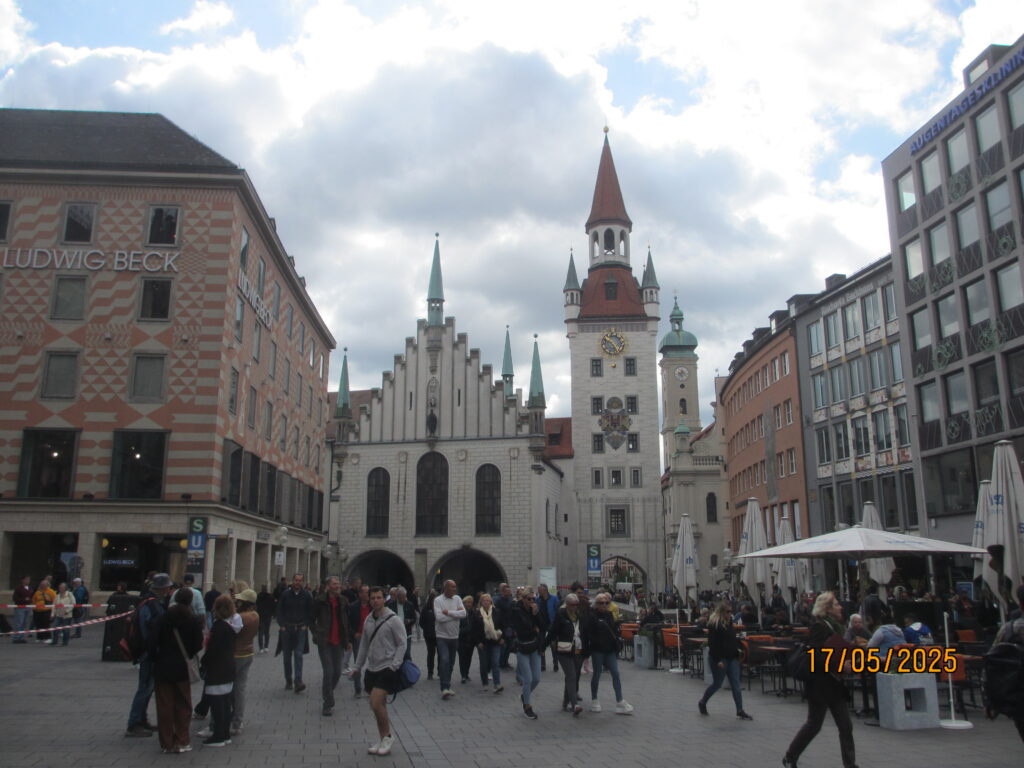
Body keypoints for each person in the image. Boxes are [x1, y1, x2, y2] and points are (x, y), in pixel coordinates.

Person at [783, 591, 857, 768]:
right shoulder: (819, 627)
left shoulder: (837, 627)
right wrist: (839, 664)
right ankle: (790, 756)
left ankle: (850, 764)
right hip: (820, 684)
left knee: (845, 726)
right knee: (814, 724)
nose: (840, 607)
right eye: (836, 604)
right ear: (828, 608)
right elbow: (815, 655)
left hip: (835, 683)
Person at [351, 586, 407, 756]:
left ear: (384, 599)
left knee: (376, 702)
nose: (375, 601)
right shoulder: (369, 619)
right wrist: (357, 667)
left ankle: (388, 737)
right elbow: (364, 645)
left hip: (387, 667)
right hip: (372, 668)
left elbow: (402, 643)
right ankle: (382, 737)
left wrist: (394, 665)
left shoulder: (393, 619)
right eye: (373, 598)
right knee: (377, 706)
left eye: (378, 597)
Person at [151, 587, 203, 753]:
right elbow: (198, 644)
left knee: (164, 706)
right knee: (183, 705)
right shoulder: (192, 619)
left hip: (163, 666)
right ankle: (182, 740)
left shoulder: (163, 617)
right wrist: (188, 653)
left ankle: (166, 743)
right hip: (182, 667)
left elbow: (152, 642)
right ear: (190, 601)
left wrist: (156, 658)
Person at [126, 573, 172, 737]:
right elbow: (152, 629)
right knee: (145, 688)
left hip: (147, 650)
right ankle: (134, 723)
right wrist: (154, 649)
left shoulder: (148, 601)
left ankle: (142, 719)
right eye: (167, 587)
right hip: (149, 651)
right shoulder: (152, 604)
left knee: (148, 687)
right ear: (163, 588)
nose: (169, 590)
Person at [698, 602, 752, 720]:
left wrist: (737, 651)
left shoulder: (729, 623)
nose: (730, 614)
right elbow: (713, 644)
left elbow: (731, 639)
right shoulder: (715, 625)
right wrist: (717, 660)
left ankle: (740, 710)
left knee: (736, 684)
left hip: (732, 657)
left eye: (731, 611)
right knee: (717, 684)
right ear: (721, 612)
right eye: (728, 612)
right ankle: (703, 701)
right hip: (720, 658)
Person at [586, 592, 633, 714]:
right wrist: (595, 643)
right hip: (597, 650)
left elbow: (614, 630)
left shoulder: (609, 614)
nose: (604, 605)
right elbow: (589, 633)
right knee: (597, 674)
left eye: (606, 603)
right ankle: (594, 699)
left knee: (615, 673)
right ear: (596, 604)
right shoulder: (592, 616)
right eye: (601, 603)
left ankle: (620, 701)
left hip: (610, 649)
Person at [311, 576, 352, 717]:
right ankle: (327, 703)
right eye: (334, 584)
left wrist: (348, 640)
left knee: (337, 672)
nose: (337, 586)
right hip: (325, 641)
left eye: (338, 583)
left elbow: (347, 621)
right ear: (328, 586)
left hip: (338, 641)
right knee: (328, 672)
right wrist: (316, 632)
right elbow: (311, 619)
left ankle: (328, 692)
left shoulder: (343, 601)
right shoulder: (320, 601)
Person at [201, 594, 237, 748]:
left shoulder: (218, 628)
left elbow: (213, 650)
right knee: (225, 702)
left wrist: (204, 662)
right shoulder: (229, 627)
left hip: (218, 670)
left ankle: (218, 736)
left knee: (217, 704)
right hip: (228, 667)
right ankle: (225, 734)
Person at [276, 572, 313, 693]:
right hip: (287, 628)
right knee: (287, 656)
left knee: (298, 654)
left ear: (303, 582)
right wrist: (282, 625)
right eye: (296, 580)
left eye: (300, 580)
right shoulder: (285, 594)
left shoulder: (307, 595)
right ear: (292, 581)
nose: (298, 583)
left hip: (300, 628)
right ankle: (288, 680)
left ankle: (298, 681)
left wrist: (306, 625)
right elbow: (279, 610)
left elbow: (310, 612)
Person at [548, 593, 585, 715]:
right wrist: (543, 647)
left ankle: (565, 702)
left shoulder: (578, 616)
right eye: (572, 605)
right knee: (572, 675)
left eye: (576, 605)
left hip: (577, 649)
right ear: (567, 605)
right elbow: (552, 632)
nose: (575, 607)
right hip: (564, 650)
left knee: (571, 676)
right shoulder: (561, 615)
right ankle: (575, 705)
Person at [511, 588, 543, 719]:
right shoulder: (517, 611)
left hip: (534, 646)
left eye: (533, 599)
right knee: (528, 679)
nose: (532, 601)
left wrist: (536, 614)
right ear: (523, 599)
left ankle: (525, 695)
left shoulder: (534, 610)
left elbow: (542, 626)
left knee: (537, 678)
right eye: (529, 599)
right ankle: (527, 706)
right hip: (522, 647)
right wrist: (534, 629)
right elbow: (521, 631)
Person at [231, 589, 259, 734]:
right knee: (240, 688)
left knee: (231, 689)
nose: (237, 603)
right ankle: (238, 721)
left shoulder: (240, 617)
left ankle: (229, 719)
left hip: (237, 654)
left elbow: (231, 632)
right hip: (248, 652)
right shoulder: (255, 615)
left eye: (240, 601)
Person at [433, 580, 466, 699]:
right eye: (452, 587)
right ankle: (444, 687)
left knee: (451, 662)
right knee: (444, 660)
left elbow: (463, 614)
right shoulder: (438, 600)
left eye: (455, 587)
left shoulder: (457, 599)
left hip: (454, 636)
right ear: (445, 588)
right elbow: (439, 618)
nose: (455, 589)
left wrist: (449, 613)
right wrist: (455, 615)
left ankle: (447, 684)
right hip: (442, 636)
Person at [473, 593, 504, 692]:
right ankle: (485, 682)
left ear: (491, 602)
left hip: (495, 641)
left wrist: (502, 638)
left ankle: (497, 684)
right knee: (484, 664)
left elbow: (502, 625)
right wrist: (478, 642)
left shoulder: (496, 612)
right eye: (484, 601)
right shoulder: (477, 613)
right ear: (481, 602)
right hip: (483, 643)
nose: (486, 602)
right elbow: (474, 630)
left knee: (495, 663)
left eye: (488, 600)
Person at [348, 584, 372, 696]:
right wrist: (354, 634)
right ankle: (357, 688)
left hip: (372, 637)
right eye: (365, 592)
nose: (367, 594)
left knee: (373, 662)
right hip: (359, 638)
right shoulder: (353, 607)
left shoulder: (373, 606)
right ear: (360, 594)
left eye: (368, 592)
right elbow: (348, 624)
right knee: (358, 663)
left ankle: (369, 687)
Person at [385, 586, 418, 659]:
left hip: (407, 632)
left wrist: (409, 621)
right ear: (397, 597)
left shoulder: (410, 605)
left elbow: (414, 618)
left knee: (407, 653)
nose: (402, 599)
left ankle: (407, 665)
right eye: (400, 598)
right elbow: (387, 618)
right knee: (396, 653)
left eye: (403, 597)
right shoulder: (391, 605)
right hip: (394, 633)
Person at [535, 583, 559, 672]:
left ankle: (555, 663)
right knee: (541, 644)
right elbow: (536, 612)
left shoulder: (554, 598)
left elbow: (557, 611)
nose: (538, 591)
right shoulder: (537, 600)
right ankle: (542, 664)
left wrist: (556, 623)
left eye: (539, 590)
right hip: (541, 625)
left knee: (553, 645)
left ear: (544, 590)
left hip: (551, 624)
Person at [494, 583, 515, 669]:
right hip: (503, 626)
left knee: (509, 645)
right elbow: (497, 614)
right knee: (503, 645)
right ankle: (501, 662)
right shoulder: (499, 601)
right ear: (503, 592)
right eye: (507, 592)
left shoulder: (510, 600)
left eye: (509, 591)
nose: (509, 593)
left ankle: (505, 661)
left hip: (509, 627)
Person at [457, 595, 476, 684]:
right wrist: (467, 629)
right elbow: (457, 628)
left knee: (469, 657)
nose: (469, 604)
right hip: (461, 639)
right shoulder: (460, 613)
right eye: (467, 602)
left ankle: (466, 673)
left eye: (470, 602)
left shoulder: (474, 613)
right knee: (462, 658)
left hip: (471, 639)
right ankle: (463, 675)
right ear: (463, 603)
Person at [419, 589, 438, 680]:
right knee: (431, 653)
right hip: (429, 635)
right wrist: (427, 629)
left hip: (439, 634)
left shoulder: (440, 608)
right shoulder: (426, 609)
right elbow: (421, 622)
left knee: (441, 653)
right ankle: (430, 672)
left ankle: (440, 671)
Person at [32, 579, 56, 644]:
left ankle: (48, 637)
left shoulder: (51, 592)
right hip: (37, 611)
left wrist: (53, 613)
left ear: (47, 585)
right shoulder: (37, 592)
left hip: (47, 611)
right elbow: (34, 600)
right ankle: (39, 637)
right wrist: (34, 608)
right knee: (38, 624)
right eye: (41, 584)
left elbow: (54, 601)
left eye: (44, 585)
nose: (42, 586)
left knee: (46, 624)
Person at [51, 582, 76, 646]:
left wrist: (67, 611)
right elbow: (54, 606)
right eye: (60, 587)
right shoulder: (57, 596)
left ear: (65, 588)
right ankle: (54, 641)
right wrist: (52, 614)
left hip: (67, 615)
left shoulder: (70, 594)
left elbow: (73, 604)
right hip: (58, 614)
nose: (60, 589)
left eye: (62, 587)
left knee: (65, 630)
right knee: (55, 627)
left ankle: (65, 642)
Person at [11, 575, 34, 643]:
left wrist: (30, 600)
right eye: (26, 579)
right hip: (20, 607)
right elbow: (15, 598)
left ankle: (22, 636)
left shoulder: (30, 588)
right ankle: (16, 637)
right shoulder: (18, 588)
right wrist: (24, 599)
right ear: (23, 580)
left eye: (29, 580)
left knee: (25, 622)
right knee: (19, 622)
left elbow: (32, 597)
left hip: (28, 606)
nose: (28, 581)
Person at [256, 584, 274, 653]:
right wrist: (272, 613)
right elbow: (273, 605)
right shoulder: (270, 596)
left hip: (261, 616)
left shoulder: (258, 596)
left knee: (260, 632)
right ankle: (266, 646)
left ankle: (261, 647)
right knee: (267, 632)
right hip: (268, 616)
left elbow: (257, 605)